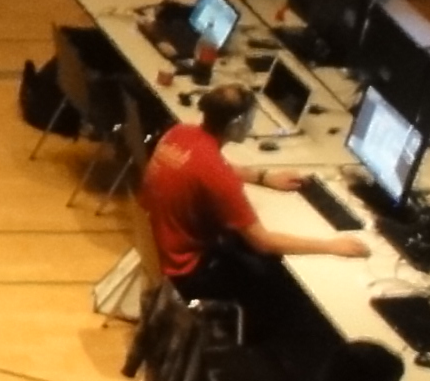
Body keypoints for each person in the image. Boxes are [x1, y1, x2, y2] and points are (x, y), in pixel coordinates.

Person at [140, 86, 365, 310]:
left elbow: (215, 166)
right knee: (279, 283)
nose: (252, 124)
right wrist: (331, 246)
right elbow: (263, 242)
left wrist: (264, 177)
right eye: (251, 117)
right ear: (236, 123)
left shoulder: (180, 133)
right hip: (187, 273)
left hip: (159, 246)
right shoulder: (217, 176)